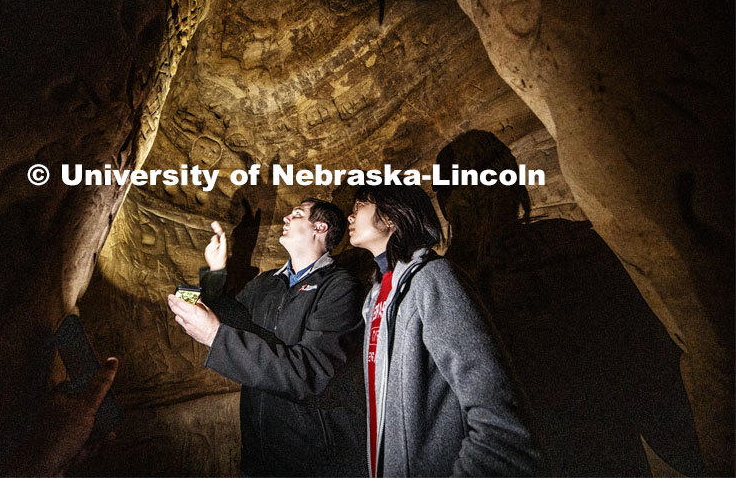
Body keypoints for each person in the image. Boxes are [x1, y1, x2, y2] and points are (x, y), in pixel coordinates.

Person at [434, 130, 703, 476]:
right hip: (606, 456)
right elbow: (646, 368)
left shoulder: (440, 287)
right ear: (513, 184)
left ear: (446, 205)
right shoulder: (573, 246)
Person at [347, 184, 539, 477]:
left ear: (392, 217)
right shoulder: (377, 295)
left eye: (360, 206)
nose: (350, 216)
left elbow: (500, 423)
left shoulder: (434, 279)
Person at [167, 198, 367, 477]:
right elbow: (230, 320)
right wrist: (215, 272)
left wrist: (215, 335)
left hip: (311, 461)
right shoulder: (267, 282)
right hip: (259, 455)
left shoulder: (340, 288)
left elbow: (308, 373)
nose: (286, 217)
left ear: (320, 228)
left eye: (297, 214)